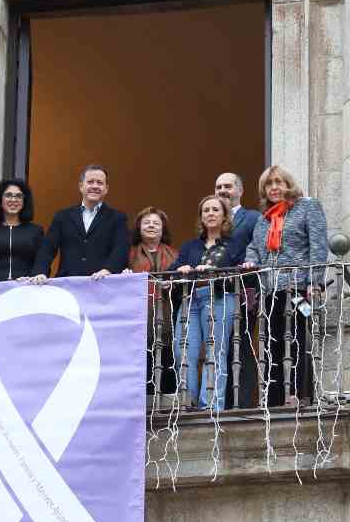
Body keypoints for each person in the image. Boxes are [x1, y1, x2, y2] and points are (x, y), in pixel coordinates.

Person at [241, 165, 328, 408]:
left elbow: (319, 246)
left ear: (288, 184)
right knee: (272, 344)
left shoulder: (307, 206)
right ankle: (275, 399)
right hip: (271, 291)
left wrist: (314, 282)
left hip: (298, 289)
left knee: (297, 339)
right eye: (268, 184)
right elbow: (254, 248)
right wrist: (251, 260)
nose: (274, 188)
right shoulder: (264, 219)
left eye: (278, 182)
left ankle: (298, 394)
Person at [169, 195, 243, 411]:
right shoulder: (190, 246)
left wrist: (214, 272)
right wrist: (180, 269)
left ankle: (210, 406)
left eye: (215, 210)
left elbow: (241, 273)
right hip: (190, 300)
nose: (210, 213)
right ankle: (187, 402)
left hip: (218, 297)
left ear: (224, 216)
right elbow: (174, 268)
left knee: (215, 352)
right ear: (201, 217)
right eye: (206, 210)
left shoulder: (234, 244)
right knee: (183, 352)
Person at [30, 165, 129, 282]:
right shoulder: (62, 216)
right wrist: (40, 272)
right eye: (90, 182)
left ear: (106, 188)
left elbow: (121, 249)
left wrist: (108, 270)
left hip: (101, 283)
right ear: (81, 186)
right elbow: (47, 248)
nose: (95, 186)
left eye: (100, 183)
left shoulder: (118, 218)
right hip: (68, 283)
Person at [216, 172, 262, 409]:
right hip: (218, 293)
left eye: (228, 186)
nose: (222, 190)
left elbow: (260, 248)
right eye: (218, 187)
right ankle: (222, 401)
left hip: (245, 290)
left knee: (241, 342)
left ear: (240, 191)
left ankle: (242, 402)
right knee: (221, 346)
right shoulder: (212, 218)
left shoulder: (253, 217)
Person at [123, 207, 179, 395]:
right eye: (147, 222)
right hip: (140, 315)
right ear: (139, 227)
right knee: (142, 360)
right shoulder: (128, 254)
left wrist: (173, 284)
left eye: (156, 223)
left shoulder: (175, 254)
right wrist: (124, 275)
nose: (151, 226)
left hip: (167, 314)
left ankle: (167, 401)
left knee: (168, 358)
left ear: (163, 229)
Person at [0, 179, 45, 284]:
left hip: (26, 287)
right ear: (0, 200)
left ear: (24, 201)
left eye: (18, 196)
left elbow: (42, 264)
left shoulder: (36, 231)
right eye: (8, 195)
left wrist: (35, 277)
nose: (13, 200)